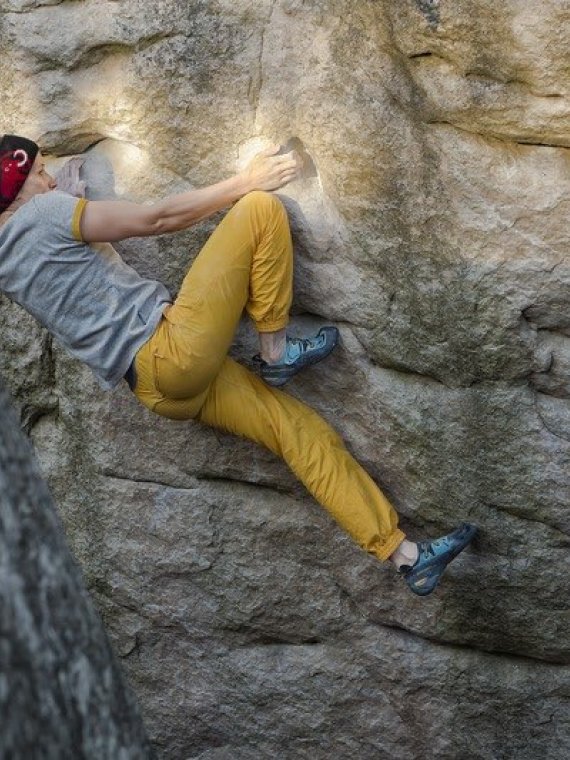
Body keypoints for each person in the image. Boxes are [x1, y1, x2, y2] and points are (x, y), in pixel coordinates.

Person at [0, 133, 477, 596]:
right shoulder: (43, 213)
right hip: (172, 350)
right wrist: (245, 180)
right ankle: (276, 352)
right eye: (39, 172)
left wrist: (61, 189)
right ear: (14, 188)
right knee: (260, 209)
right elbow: (157, 220)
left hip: (156, 391)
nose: (48, 179)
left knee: (299, 432)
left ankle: (406, 556)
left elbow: (70, 258)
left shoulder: (8, 260)